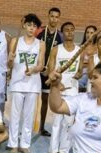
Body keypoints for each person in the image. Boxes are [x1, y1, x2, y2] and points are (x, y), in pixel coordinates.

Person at [6, 13, 45, 153]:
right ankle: (13, 144)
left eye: (34, 26)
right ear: (24, 25)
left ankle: (25, 144)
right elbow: (9, 65)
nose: (31, 28)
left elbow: (41, 65)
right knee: (15, 115)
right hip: (17, 83)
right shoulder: (15, 41)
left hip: (33, 85)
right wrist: (10, 59)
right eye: (29, 25)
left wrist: (33, 70)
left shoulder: (41, 44)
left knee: (29, 116)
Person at [46, 21, 80, 153]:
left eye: (72, 29)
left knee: (68, 123)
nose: (70, 32)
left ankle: (64, 150)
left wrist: (79, 74)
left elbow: (80, 71)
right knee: (57, 122)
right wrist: (56, 83)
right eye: (67, 30)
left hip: (72, 90)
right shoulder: (56, 49)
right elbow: (51, 70)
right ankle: (53, 149)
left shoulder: (79, 50)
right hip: (58, 90)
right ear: (62, 32)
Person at [36, 7, 62, 137]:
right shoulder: (40, 33)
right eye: (52, 16)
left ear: (59, 19)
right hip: (36, 71)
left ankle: (41, 127)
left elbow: (59, 57)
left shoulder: (60, 37)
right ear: (48, 16)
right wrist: (39, 67)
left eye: (56, 17)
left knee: (45, 100)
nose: (54, 19)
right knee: (31, 98)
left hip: (49, 73)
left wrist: (50, 71)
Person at [77, 24, 98, 92]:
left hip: (93, 77)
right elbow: (76, 64)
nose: (89, 34)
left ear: (95, 34)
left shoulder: (98, 48)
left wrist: (85, 63)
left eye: (92, 33)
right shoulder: (80, 47)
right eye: (87, 32)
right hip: (81, 77)